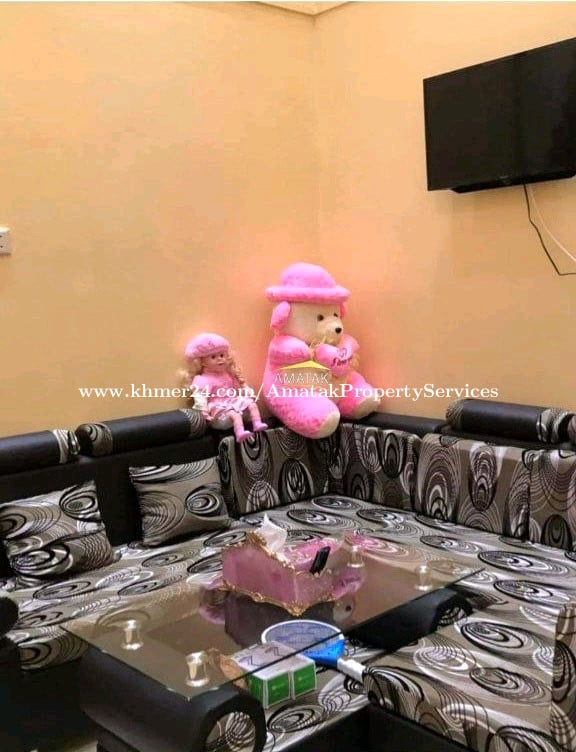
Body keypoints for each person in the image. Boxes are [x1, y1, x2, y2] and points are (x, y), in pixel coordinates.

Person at [183, 333, 268, 442]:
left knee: (252, 404)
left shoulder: (227, 374)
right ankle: (240, 433)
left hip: (232, 402)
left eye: (222, 355)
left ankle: (257, 424)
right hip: (219, 410)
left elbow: (237, 389)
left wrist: (247, 393)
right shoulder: (203, 379)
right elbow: (200, 398)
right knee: (234, 414)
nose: (220, 359)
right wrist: (203, 414)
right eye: (213, 357)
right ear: (202, 362)